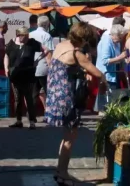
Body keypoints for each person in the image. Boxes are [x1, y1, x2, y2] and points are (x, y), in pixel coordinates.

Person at [45, 22, 102, 185]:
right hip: (66, 98)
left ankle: (60, 170)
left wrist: (80, 70)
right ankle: (63, 173)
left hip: (55, 95)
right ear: (83, 38)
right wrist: (103, 80)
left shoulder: (61, 45)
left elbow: (64, 67)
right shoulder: (76, 53)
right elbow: (96, 72)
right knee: (71, 137)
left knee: (66, 136)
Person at [5, 27, 42, 129]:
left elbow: (46, 50)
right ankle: (18, 121)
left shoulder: (32, 43)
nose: (23, 38)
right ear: (18, 35)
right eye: (21, 36)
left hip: (28, 74)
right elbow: (6, 55)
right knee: (17, 99)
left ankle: (32, 122)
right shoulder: (12, 44)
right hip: (15, 74)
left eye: (25, 36)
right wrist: (6, 68)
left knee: (28, 98)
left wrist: (37, 61)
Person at [95, 24, 128, 111]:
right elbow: (105, 61)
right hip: (106, 73)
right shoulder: (107, 42)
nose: (121, 40)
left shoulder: (115, 42)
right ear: (114, 34)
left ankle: (107, 111)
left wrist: (124, 60)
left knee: (113, 95)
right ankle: (103, 111)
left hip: (113, 72)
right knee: (108, 95)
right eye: (120, 37)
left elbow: (116, 57)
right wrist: (120, 57)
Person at [30, 15, 55, 113]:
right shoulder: (47, 36)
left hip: (32, 67)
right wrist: (52, 68)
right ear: (47, 25)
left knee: (34, 92)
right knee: (48, 91)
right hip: (43, 67)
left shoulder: (30, 34)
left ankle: (31, 113)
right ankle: (50, 112)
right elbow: (49, 54)